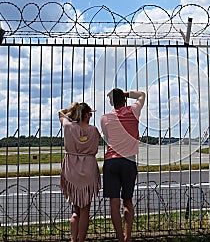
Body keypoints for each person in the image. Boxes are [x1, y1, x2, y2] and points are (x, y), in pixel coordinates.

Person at [100, 88, 146, 242]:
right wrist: (126, 94)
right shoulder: (133, 110)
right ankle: (128, 237)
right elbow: (142, 95)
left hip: (111, 161)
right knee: (127, 200)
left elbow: (107, 137)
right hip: (129, 161)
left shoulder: (105, 118)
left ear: (112, 102)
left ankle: (119, 237)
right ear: (124, 99)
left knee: (114, 201)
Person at [58, 102, 101, 242]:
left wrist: (72, 111)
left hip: (72, 170)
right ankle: (81, 240)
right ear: (87, 115)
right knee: (85, 210)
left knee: (75, 210)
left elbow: (60, 113)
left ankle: (73, 239)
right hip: (88, 169)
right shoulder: (94, 130)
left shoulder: (68, 127)